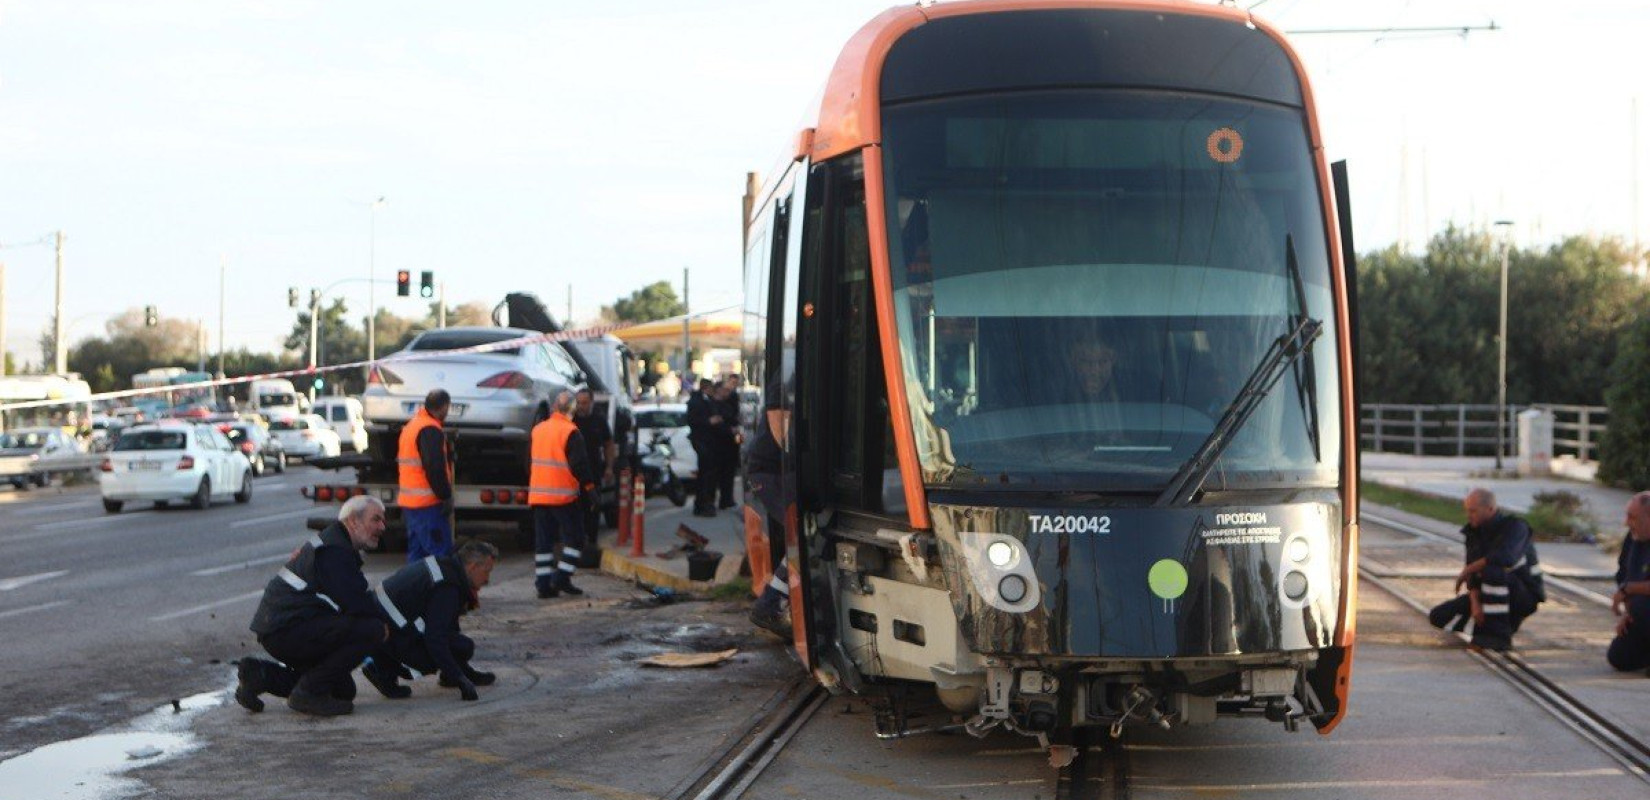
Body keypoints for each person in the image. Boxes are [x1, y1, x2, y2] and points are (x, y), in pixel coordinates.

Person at [238, 495, 393, 716]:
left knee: (342, 691)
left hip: (282, 628)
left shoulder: (334, 543)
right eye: (376, 520)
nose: (382, 527)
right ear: (353, 521)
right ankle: (307, 693)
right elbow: (356, 603)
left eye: (383, 521)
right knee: (372, 630)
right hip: (286, 630)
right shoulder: (334, 551)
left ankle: (260, 675)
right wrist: (387, 627)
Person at [367, 540, 500, 701]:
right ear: (472, 567)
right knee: (440, 653)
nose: (487, 579)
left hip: (381, 623)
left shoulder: (447, 568)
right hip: (386, 631)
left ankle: (386, 671)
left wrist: (464, 673)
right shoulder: (447, 587)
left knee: (457, 644)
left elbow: (447, 627)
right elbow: (435, 638)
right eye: (487, 572)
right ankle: (381, 670)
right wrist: (460, 680)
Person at [1428, 488, 1545, 652]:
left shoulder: (1516, 527)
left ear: (1490, 509)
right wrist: (1475, 602)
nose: (1469, 516)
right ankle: (1489, 629)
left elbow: (1505, 558)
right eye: (1467, 511)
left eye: (1473, 511)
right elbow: (1473, 577)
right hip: (1489, 595)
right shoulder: (1473, 533)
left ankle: (1498, 638)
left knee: (1492, 571)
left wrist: (1468, 569)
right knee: (1439, 616)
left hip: (1522, 595)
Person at [529, 391, 595, 599]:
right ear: (572, 410)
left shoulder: (538, 430)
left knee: (543, 543)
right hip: (563, 496)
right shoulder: (570, 431)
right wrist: (591, 489)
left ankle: (543, 584)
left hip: (539, 496)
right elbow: (579, 465)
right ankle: (561, 578)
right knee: (575, 539)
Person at [746, 386, 795, 638]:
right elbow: (777, 416)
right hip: (769, 471)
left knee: (802, 533)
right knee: (801, 533)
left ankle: (775, 601)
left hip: (778, 470)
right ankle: (770, 604)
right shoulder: (786, 375)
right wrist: (793, 456)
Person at [398, 389, 455, 562]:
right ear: (444, 406)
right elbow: (434, 467)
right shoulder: (430, 429)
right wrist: (445, 495)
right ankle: (441, 589)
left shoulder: (413, 425)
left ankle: (415, 589)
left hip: (411, 504)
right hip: (428, 506)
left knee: (417, 555)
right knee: (440, 557)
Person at [1607, 492, 1650, 674]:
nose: (1627, 523)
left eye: (1633, 517)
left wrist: (1629, 590)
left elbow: (1629, 586)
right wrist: (1629, 611)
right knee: (1620, 657)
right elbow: (1623, 575)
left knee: (1641, 606)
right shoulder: (1633, 538)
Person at [573, 388, 616, 537]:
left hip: (593, 472)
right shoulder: (571, 420)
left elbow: (608, 444)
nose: (580, 406)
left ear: (591, 402)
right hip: (574, 475)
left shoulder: (599, 419)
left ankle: (591, 542)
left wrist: (609, 467)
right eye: (578, 402)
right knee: (576, 512)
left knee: (593, 509)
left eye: (584, 403)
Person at [686, 378, 723, 517]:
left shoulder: (707, 400)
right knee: (706, 473)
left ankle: (704, 502)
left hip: (708, 441)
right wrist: (709, 421)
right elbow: (693, 420)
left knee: (707, 473)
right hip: (702, 440)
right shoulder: (696, 402)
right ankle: (704, 503)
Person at [713, 377, 742, 510]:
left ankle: (727, 499)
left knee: (729, 474)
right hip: (721, 445)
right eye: (725, 390)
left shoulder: (729, 402)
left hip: (730, 444)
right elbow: (718, 424)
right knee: (723, 474)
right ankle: (724, 500)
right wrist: (730, 430)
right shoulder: (715, 405)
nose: (727, 392)